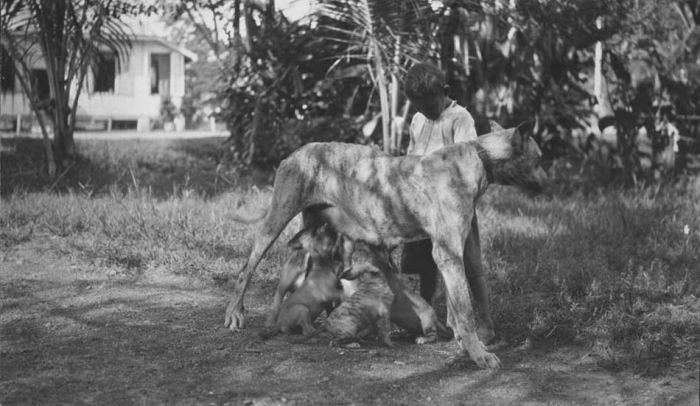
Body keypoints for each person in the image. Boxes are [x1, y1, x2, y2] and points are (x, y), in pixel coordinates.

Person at [400, 62, 494, 342]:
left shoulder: (460, 118)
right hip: (420, 205)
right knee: (421, 266)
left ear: (444, 92)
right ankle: (426, 323)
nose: (426, 112)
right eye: (419, 107)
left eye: (430, 105)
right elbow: (410, 157)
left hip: (454, 209)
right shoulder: (418, 120)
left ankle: (485, 323)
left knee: (468, 263)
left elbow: (468, 164)